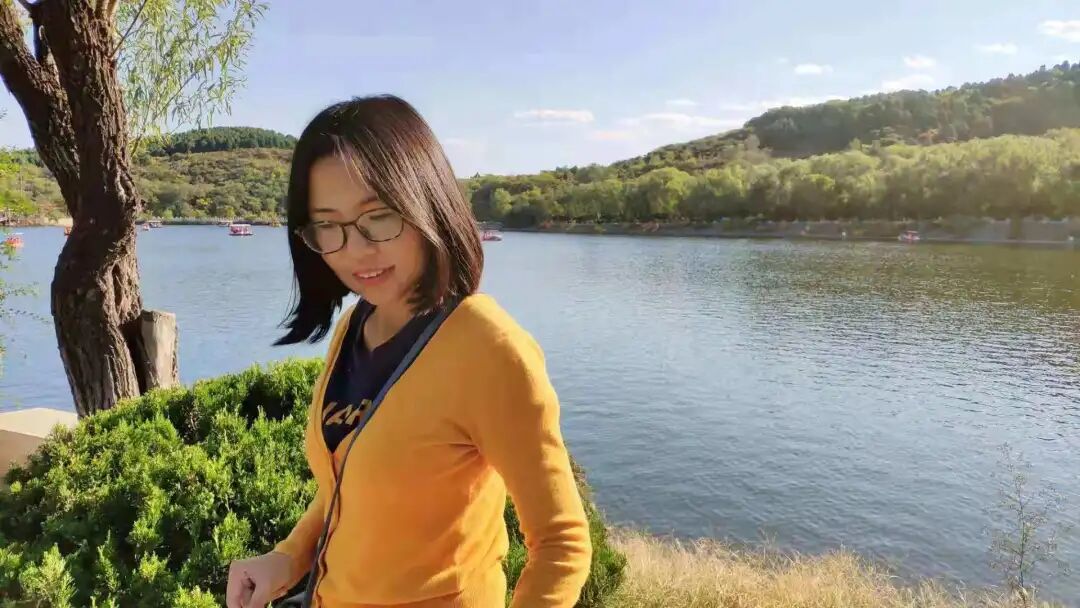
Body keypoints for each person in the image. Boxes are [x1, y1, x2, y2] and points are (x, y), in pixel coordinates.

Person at [225, 96, 592, 608]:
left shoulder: (489, 349)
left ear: (427, 204)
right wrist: (287, 558)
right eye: (328, 225)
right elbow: (345, 485)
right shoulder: (356, 325)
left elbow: (561, 546)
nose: (356, 250)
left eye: (377, 217)